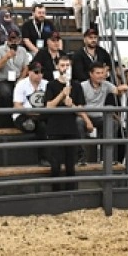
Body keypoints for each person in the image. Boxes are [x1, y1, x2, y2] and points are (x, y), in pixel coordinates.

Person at [39, 56, 81, 191]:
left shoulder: (77, 85)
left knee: (71, 165)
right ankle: (55, 193)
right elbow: (49, 106)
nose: (65, 68)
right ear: (57, 67)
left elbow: (81, 109)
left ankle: (71, 193)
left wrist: (72, 104)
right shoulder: (50, 85)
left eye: (68, 65)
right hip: (55, 128)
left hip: (71, 128)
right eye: (62, 65)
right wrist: (62, 95)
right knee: (55, 165)